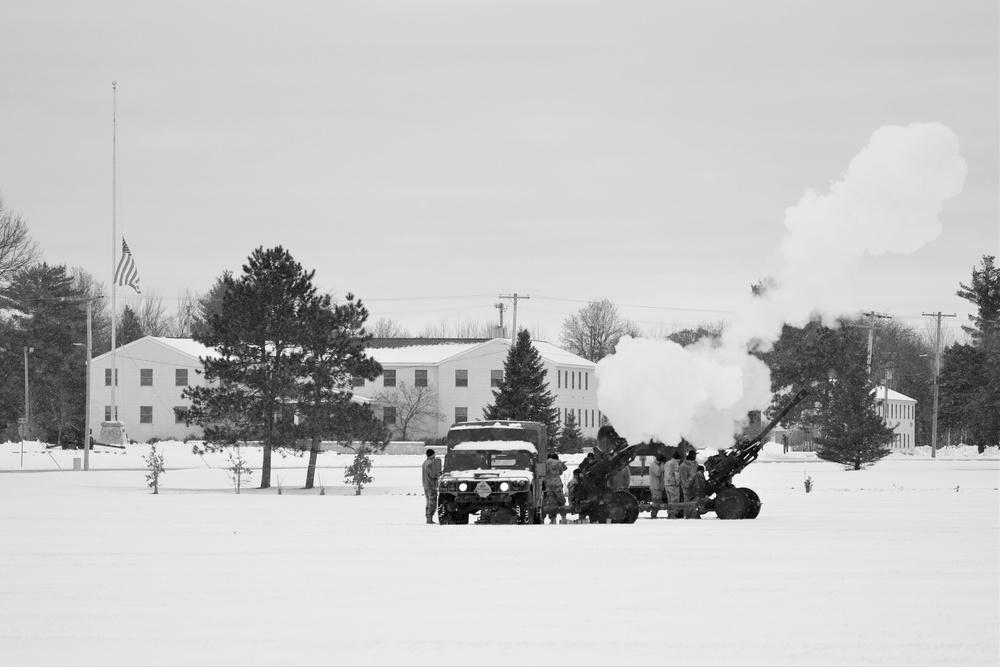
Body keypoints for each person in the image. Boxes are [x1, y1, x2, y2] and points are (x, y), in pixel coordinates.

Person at [544, 453, 568, 522]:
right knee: (561, 500)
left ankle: (552, 519)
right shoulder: (558, 462)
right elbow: (562, 471)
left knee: (551, 502)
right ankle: (563, 517)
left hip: (548, 484)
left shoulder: (544, 463)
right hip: (557, 484)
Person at [422, 448, 442, 524]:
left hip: (426, 485)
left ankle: (428, 518)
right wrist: (439, 474)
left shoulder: (425, 462)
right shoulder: (430, 463)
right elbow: (433, 474)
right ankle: (429, 518)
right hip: (431, 485)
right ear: (433, 454)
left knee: (428, 502)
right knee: (432, 502)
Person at [664, 450, 683, 518]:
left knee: (669, 499)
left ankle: (669, 513)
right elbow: (676, 474)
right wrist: (678, 483)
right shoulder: (675, 464)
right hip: (673, 484)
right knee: (675, 499)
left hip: (666, 484)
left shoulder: (667, 463)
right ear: (678, 458)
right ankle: (673, 514)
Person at [648, 454, 667, 519]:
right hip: (655, 486)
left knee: (658, 501)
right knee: (655, 501)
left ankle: (654, 514)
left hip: (658, 486)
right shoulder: (653, 465)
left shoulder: (657, 465)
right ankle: (653, 514)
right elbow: (659, 473)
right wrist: (662, 465)